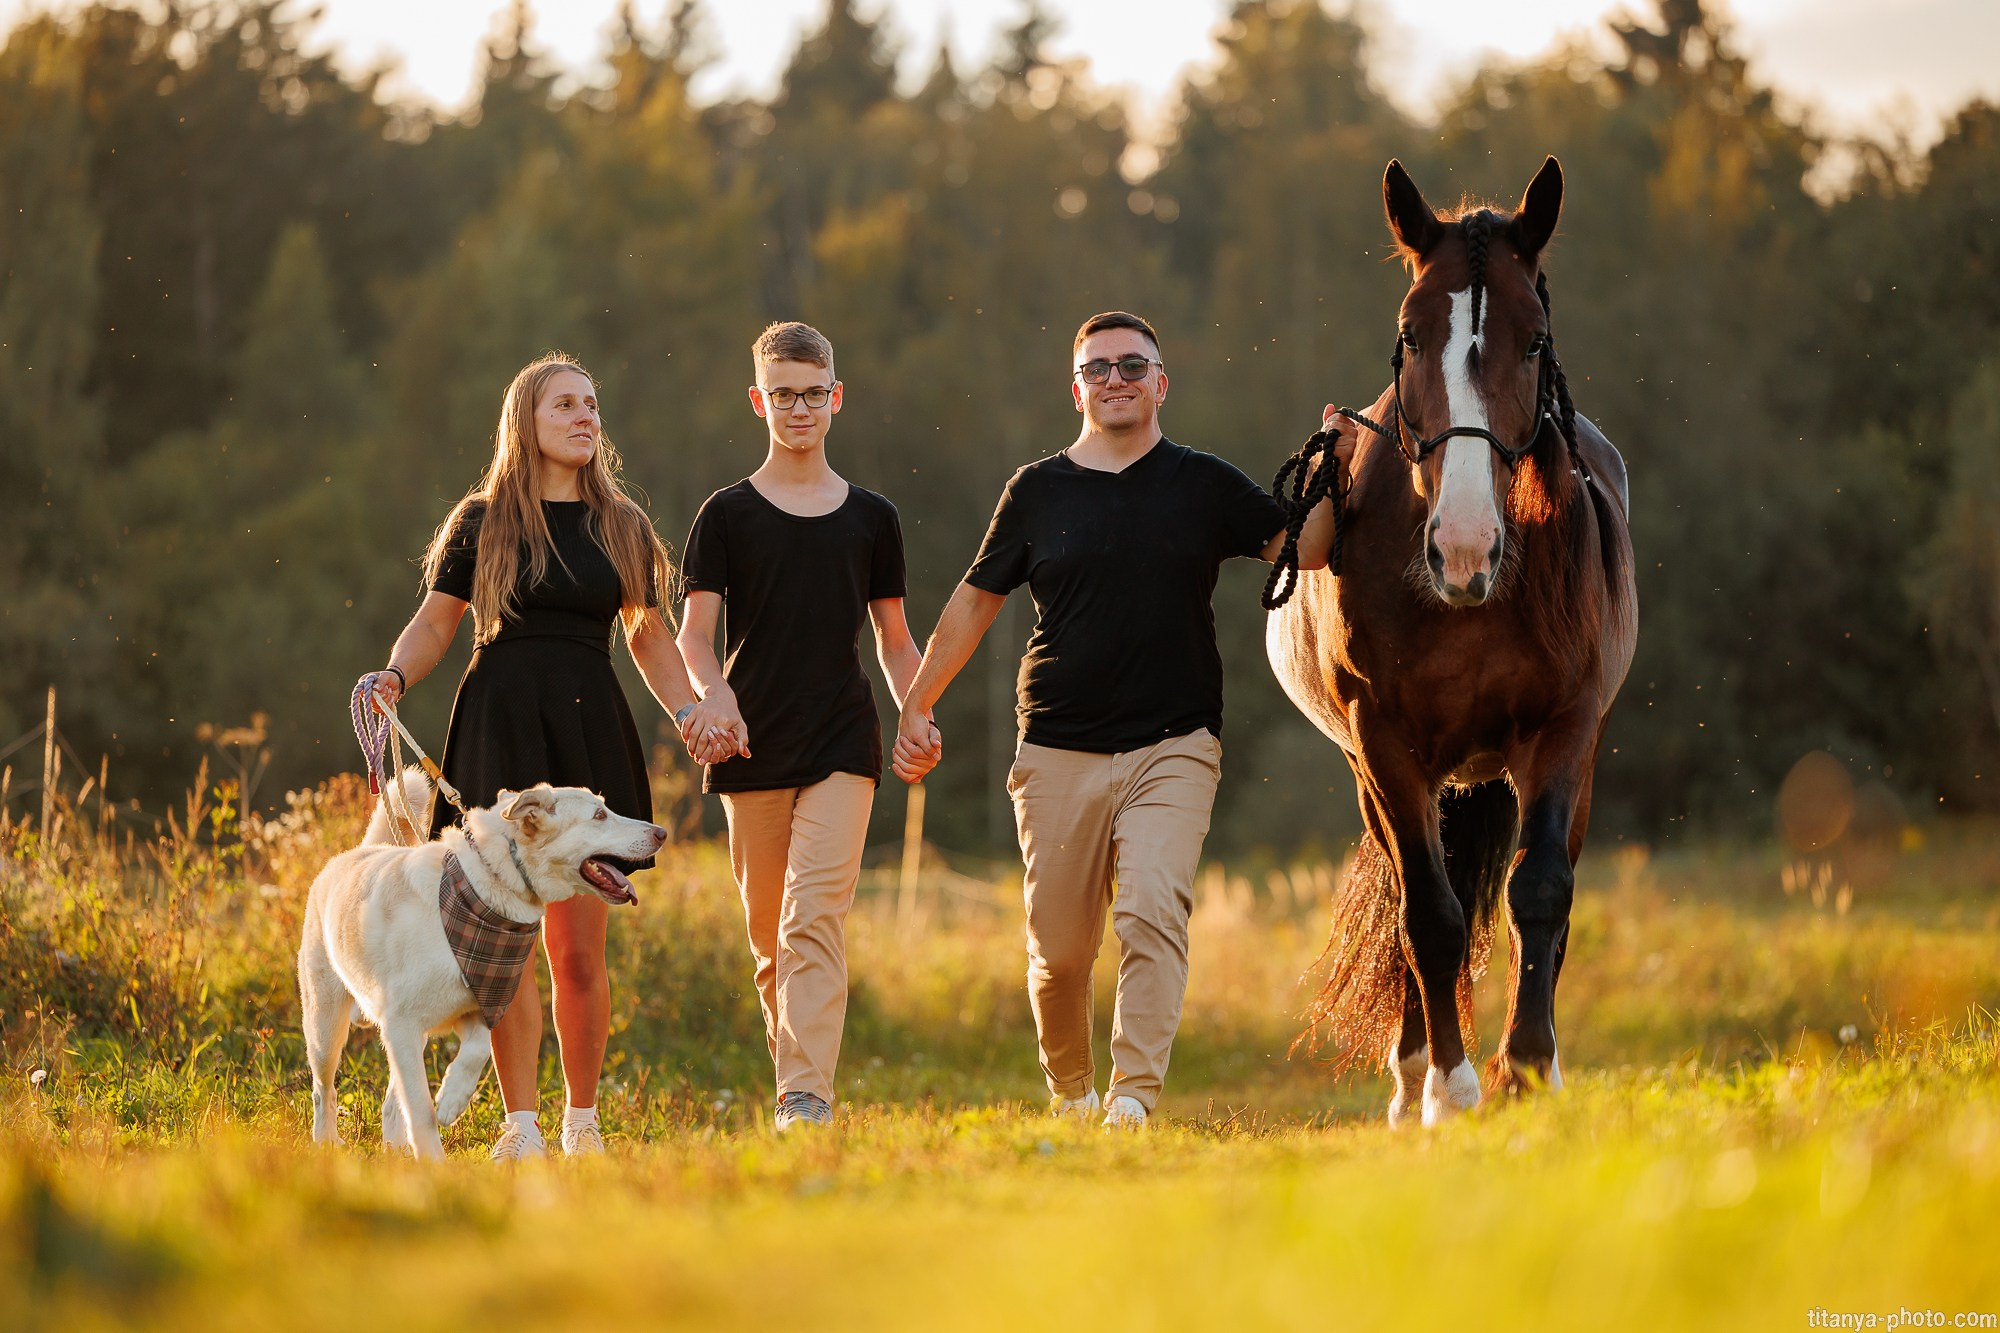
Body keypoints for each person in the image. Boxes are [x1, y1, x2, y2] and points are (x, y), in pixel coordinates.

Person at [892, 311, 1348, 1130]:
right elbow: (972, 603)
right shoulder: (1036, 491)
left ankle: (1133, 1097)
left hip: (1174, 742)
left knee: (1149, 911)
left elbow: (1308, 548)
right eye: (1098, 368)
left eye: (1133, 365)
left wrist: (1338, 461)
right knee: (1061, 956)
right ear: (1076, 388)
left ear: (1161, 382)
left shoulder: (1202, 483)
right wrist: (917, 701)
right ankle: (1072, 1092)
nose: (1116, 379)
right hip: (1057, 747)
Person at [369, 352, 726, 1160]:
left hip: (587, 733)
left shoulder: (623, 525)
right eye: (565, 404)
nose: (584, 416)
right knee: (502, 950)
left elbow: (647, 635)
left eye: (592, 404)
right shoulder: (483, 519)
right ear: (524, 420)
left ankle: (583, 1124)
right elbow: (436, 622)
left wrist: (690, 709)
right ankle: (520, 1126)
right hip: (499, 726)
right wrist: (393, 672)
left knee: (577, 948)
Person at [677, 321, 929, 1133]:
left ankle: (804, 1098)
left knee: (810, 916)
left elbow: (893, 638)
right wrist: (713, 695)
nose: (798, 407)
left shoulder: (872, 518)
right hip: (750, 743)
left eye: (812, 394)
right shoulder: (725, 515)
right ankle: (798, 1081)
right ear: (758, 400)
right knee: (768, 941)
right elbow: (692, 636)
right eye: (781, 394)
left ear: (836, 399)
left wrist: (915, 708)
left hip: (841, 740)